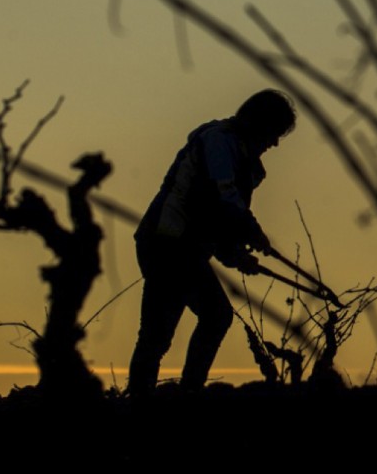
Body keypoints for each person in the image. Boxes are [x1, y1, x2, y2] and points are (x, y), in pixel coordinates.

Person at [127, 89, 296, 395]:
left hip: (180, 249)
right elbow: (221, 201)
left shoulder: (240, 159)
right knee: (200, 321)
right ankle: (174, 397)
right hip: (167, 246)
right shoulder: (219, 143)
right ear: (258, 125)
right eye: (273, 133)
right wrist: (251, 231)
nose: (274, 143)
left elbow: (215, 221)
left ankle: (155, 399)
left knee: (170, 331)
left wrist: (235, 254)